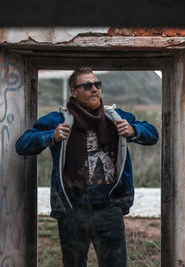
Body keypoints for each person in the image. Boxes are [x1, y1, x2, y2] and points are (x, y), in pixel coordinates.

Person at [15, 67, 159, 267]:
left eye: (97, 84)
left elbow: (152, 134)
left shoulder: (115, 116)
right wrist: (51, 136)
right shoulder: (58, 120)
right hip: (73, 210)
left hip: (109, 208)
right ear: (73, 91)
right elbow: (22, 145)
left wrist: (134, 130)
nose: (94, 89)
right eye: (87, 85)